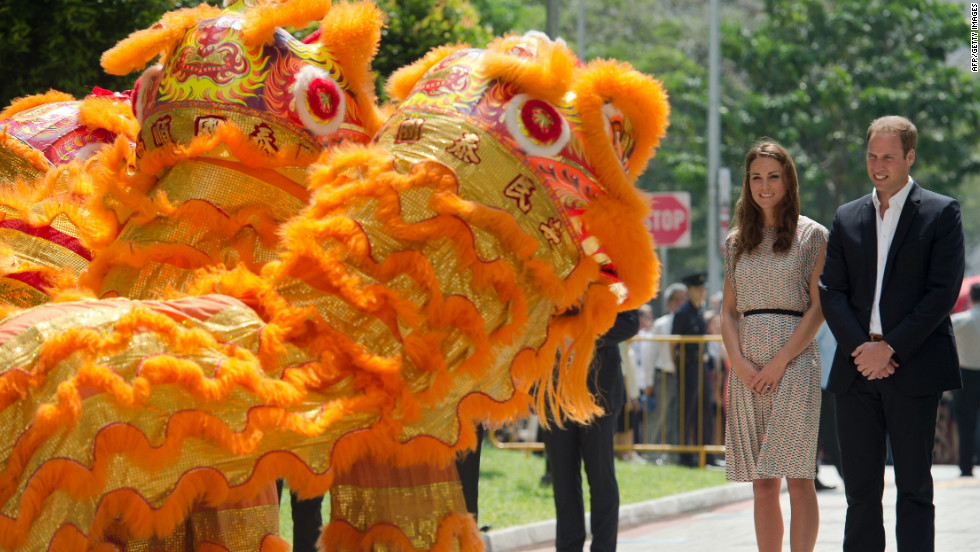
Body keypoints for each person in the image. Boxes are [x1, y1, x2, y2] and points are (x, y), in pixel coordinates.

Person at [819, 116, 965, 552]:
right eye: (871, 156)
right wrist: (862, 350)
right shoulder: (847, 217)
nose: (878, 165)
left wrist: (890, 347)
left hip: (914, 366)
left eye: (888, 156)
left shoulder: (941, 212)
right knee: (860, 492)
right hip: (856, 368)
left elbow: (941, 293)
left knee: (915, 488)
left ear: (909, 157)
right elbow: (831, 290)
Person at [720, 141, 827, 552]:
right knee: (762, 483)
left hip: (795, 363)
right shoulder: (735, 242)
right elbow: (728, 312)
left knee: (798, 477)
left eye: (773, 176)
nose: (765, 186)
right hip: (746, 368)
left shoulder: (813, 234)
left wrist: (781, 361)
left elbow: (819, 308)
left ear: (788, 180)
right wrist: (739, 363)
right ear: (748, 184)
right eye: (756, 177)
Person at [544, 309, 638, 552]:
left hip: (600, 391)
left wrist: (582, 335)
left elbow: (629, 323)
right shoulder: (550, 271)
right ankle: (568, 547)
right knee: (562, 479)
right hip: (556, 388)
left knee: (600, 477)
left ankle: (604, 548)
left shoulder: (611, 272)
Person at [672, 272, 714, 467]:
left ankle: (706, 455)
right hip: (687, 365)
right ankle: (685, 454)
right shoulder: (682, 312)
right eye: (698, 289)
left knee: (705, 409)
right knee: (687, 410)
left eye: (703, 289)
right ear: (689, 291)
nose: (701, 292)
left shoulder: (699, 311)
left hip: (702, 364)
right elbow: (673, 344)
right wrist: (677, 367)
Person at [646, 283, 686, 455]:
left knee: (676, 417)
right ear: (669, 302)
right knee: (658, 416)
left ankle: (673, 454)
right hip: (663, 374)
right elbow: (650, 355)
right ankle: (649, 452)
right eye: (677, 299)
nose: (680, 303)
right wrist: (648, 382)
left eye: (684, 299)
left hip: (682, 376)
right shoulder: (661, 324)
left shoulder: (688, 321)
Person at [952, 282, 980, 476]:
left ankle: (965, 466)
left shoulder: (959, 320)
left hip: (966, 373)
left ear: (970, 297)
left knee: (965, 421)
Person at [813, 321, 842, 490]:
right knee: (831, 432)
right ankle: (846, 474)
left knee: (822, 433)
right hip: (821, 383)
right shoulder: (822, 320)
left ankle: (813, 477)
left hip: (829, 382)